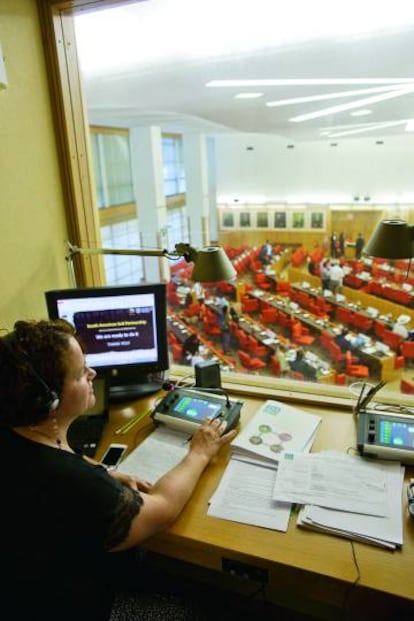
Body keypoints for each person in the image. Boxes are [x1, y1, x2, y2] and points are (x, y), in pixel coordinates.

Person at [0, 319, 236, 621]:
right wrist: (200, 453)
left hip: (19, 598)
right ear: (48, 401)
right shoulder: (75, 483)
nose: (92, 374)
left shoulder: (15, 431)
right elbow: (162, 507)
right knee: (197, 611)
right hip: (80, 608)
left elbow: (54, 464)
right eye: (80, 373)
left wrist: (106, 474)